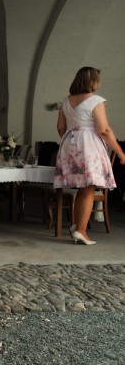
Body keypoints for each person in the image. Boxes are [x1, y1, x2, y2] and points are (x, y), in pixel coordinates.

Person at [55, 67, 125, 245]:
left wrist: (71, 141)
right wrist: (119, 151)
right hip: (88, 145)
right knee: (88, 188)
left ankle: (77, 226)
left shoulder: (66, 101)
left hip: (69, 144)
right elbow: (104, 129)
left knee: (82, 188)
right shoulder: (96, 100)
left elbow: (60, 127)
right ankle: (81, 231)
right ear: (93, 81)